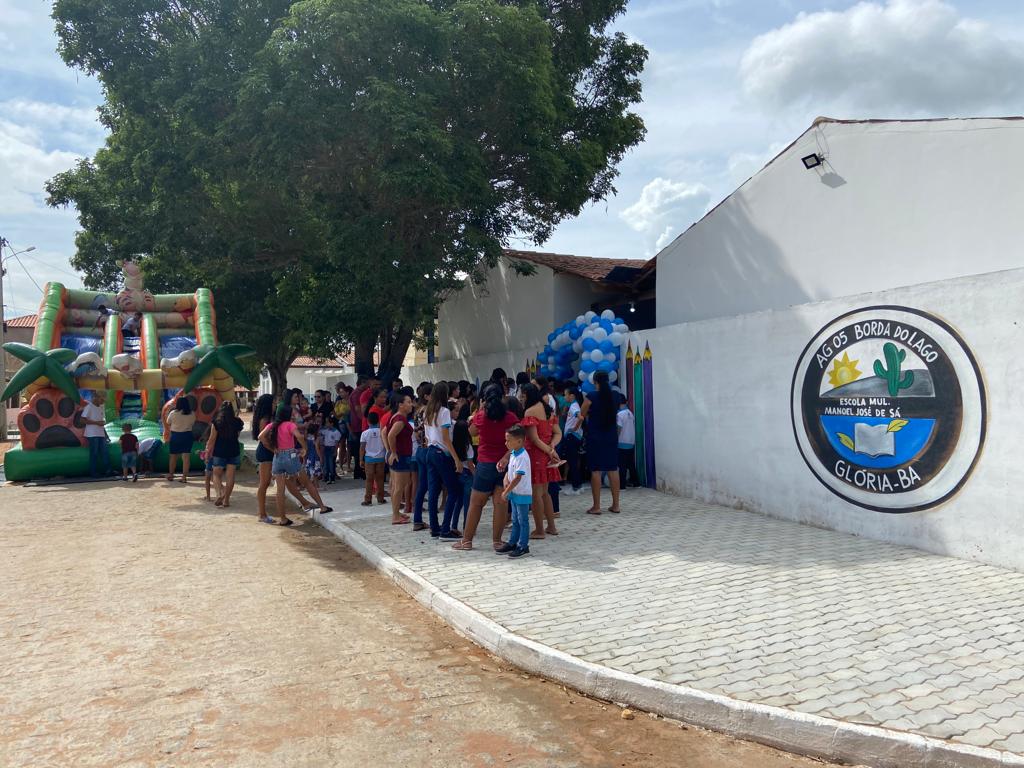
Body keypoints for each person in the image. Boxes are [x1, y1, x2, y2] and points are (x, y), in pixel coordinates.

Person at [453, 383, 518, 552]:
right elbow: (519, 440)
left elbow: (471, 432)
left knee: (476, 503)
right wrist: (506, 456)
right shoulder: (510, 417)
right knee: (500, 503)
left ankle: (467, 541)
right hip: (505, 464)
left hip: (485, 463)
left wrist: (479, 410)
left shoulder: (481, 416)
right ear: (503, 397)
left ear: (484, 399)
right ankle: (497, 541)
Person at [520, 383, 562, 538]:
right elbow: (558, 433)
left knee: (536, 494)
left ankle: (539, 530)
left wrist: (550, 450)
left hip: (536, 455)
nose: (521, 399)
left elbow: (534, 439)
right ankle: (551, 526)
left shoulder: (530, 412)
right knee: (545, 493)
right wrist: (552, 447)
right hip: (547, 455)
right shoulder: (548, 410)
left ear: (527, 395)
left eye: (522, 396)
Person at [424, 381, 462, 538]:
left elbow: (427, 436)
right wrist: (456, 459)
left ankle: (435, 527)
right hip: (442, 453)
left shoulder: (428, 411)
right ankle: (446, 529)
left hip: (431, 451)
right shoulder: (444, 411)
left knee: (433, 491)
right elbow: (446, 438)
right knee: (454, 490)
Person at [579, 371, 620, 514]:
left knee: (595, 470)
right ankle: (616, 505)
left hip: (595, 436)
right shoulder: (615, 395)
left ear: (595, 382)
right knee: (612, 469)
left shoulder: (591, 396)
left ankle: (596, 507)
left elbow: (582, 414)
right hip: (611, 436)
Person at [497, 424, 532, 559]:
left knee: (523, 520)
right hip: (515, 492)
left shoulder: (522, 456)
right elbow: (510, 471)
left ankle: (523, 546)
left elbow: (518, 477)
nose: (506, 443)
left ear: (519, 441)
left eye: (508, 440)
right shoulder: (513, 453)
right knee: (515, 519)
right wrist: (505, 477)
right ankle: (513, 542)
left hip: (522, 493)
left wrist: (506, 491)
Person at [206, 401, 244, 507]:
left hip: (219, 451)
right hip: (233, 450)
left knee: (216, 475)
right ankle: (226, 500)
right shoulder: (237, 422)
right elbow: (237, 436)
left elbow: (212, 439)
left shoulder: (216, 422)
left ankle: (219, 493)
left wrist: (207, 451)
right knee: (230, 477)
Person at [385, 392, 414, 525]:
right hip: (401, 456)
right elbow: (390, 435)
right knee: (399, 487)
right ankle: (395, 516)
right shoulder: (400, 419)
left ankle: (396, 512)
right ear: (400, 405)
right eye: (408, 402)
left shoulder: (394, 416)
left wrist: (390, 451)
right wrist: (393, 452)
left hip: (400, 455)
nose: (411, 405)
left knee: (396, 485)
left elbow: (384, 432)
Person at [411, 382, 432, 531]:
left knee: (422, 486)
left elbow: (417, 432)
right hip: (428, 449)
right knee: (432, 486)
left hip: (420, 449)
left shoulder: (418, 411)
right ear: (427, 396)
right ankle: (434, 523)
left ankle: (417, 519)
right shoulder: (429, 411)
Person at [450, 420, 475, 537]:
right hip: (467, 474)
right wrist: (476, 475)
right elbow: (470, 464)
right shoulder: (467, 446)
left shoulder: (453, 444)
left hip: (457, 474)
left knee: (458, 502)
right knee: (467, 503)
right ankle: (467, 527)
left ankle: (454, 525)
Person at [166, 395, 196, 483]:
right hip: (187, 436)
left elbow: (168, 422)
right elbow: (193, 423)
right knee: (186, 458)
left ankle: (171, 475)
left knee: (173, 457)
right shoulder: (192, 413)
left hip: (175, 436)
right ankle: (184, 477)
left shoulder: (173, 413)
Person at [561, 385, 585, 495]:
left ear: (572, 396)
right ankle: (578, 485)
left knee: (572, 462)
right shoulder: (574, 405)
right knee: (573, 461)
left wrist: (574, 429)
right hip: (573, 436)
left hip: (572, 437)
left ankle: (576, 487)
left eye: (565, 394)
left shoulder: (574, 406)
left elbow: (580, 418)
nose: (564, 397)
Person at [360, 411, 387, 506]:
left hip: (369, 459)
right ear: (378, 421)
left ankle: (368, 499)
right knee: (380, 479)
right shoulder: (382, 432)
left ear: (368, 421)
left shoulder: (364, 433)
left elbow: (362, 448)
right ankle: (380, 498)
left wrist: (361, 459)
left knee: (369, 480)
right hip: (381, 458)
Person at [82, 392, 110, 479]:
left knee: (105, 452)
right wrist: (97, 423)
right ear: (96, 398)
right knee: (94, 453)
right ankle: (93, 472)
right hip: (92, 434)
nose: (103, 402)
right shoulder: (89, 407)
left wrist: (106, 434)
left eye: (104, 400)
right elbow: (82, 420)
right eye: (102, 400)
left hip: (100, 433)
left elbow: (101, 421)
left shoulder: (101, 407)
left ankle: (108, 470)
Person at [617, 394, 639, 489]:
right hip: (631, 442)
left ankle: (622, 485)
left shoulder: (619, 415)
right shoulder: (630, 413)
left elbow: (619, 429)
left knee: (622, 465)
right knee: (630, 464)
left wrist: (614, 439)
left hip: (622, 442)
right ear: (625, 402)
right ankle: (636, 483)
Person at [348, 377, 369, 480]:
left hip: (357, 424)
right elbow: (358, 410)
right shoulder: (357, 394)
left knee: (358, 449)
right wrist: (364, 420)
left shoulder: (356, 393)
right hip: (358, 425)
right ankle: (359, 471)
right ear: (362, 383)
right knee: (360, 449)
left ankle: (359, 471)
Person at [320, 416, 342, 483]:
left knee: (331, 463)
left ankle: (332, 477)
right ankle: (326, 477)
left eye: (327, 423)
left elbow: (336, 443)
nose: (326, 424)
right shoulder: (325, 430)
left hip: (332, 448)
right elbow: (319, 431)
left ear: (331, 423)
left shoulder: (336, 432)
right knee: (326, 463)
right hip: (326, 448)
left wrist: (335, 451)